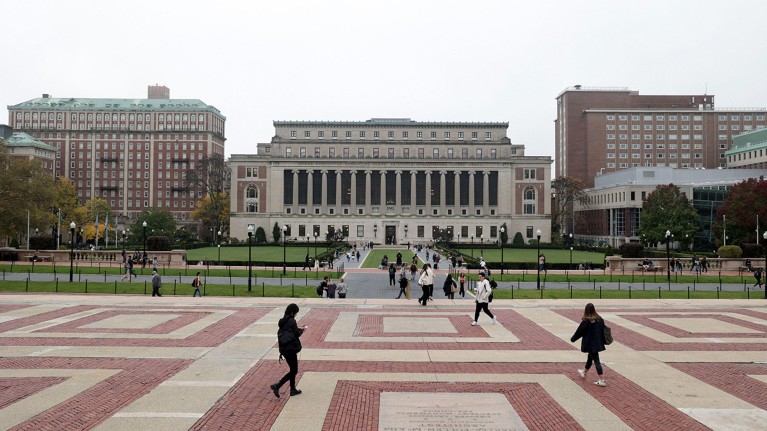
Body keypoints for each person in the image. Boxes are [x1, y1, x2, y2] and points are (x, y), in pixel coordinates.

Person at [270, 303, 306, 398]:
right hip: (291, 348)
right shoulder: (292, 321)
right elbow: (296, 334)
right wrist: (302, 330)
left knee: (293, 370)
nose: (296, 314)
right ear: (292, 312)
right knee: (294, 370)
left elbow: (288, 331)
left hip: (284, 349)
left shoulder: (282, 321)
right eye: (296, 313)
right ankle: (278, 385)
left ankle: (292, 389)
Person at [570, 303, 607, 387]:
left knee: (596, 360)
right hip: (597, 342)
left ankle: (602, 380)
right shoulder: (599, 319)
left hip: (590, 343)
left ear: (586, 310)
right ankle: (584, 372)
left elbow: (579, 332)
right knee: (590, 358)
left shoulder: (586, 321)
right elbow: (603, 330)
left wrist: (573, 339)